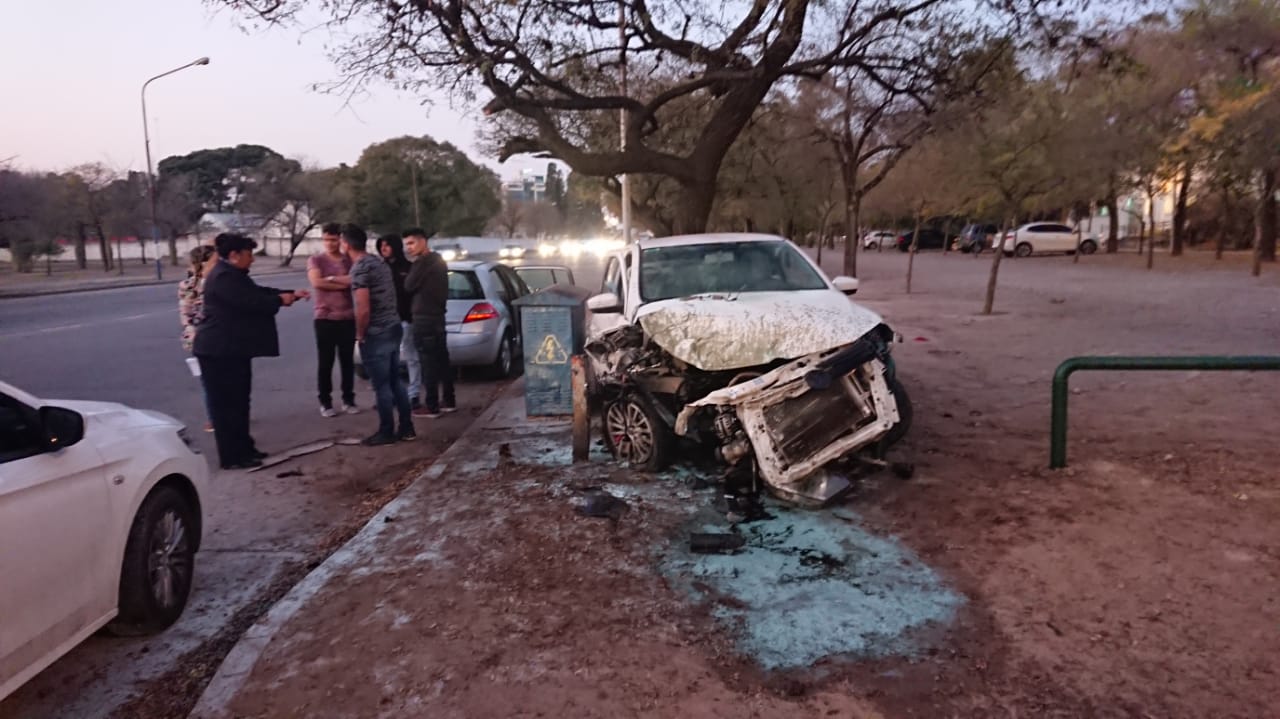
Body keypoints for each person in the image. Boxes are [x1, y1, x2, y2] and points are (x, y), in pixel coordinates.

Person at [194, 233, 310, 470]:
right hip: (218, 352)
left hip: (232, 350)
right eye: (249, 255)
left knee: (239, 402)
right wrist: (281, 300)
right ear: (234, 255)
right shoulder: (224, 277)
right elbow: (253, 302)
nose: (252, 260)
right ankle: (232, 457)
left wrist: (289, 294)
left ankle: (245, 448)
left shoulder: (233, 275)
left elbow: (259, 292)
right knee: (226, 406)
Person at [342, 224, 415, 446]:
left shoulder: (360, 269)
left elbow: (363, 307)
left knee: (381, 385)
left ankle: (386, 431)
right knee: (395, 381)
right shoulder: (378, 264)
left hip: (377, 332)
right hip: (393, 327)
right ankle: (406, 427)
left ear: (346, 244)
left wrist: (360, 334)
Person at [403, 228, 456, 418]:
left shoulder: (423, 262)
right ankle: (449, 400)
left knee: (428, 362)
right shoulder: (439, 261)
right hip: (438, 317)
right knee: (442, 360)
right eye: (406, 244)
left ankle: (432, 405)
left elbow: (408, 285)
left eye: (412, 243)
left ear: (423, 241)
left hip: (425, 318)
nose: (408, 248)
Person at [307, 223, 359, 418]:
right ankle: (325, 401)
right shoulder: (316, 260)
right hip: (324, 317)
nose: (330, 243)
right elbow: (316, 282)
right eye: (327, 239)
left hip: (347, 317)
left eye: (334, 239)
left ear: (340, 240)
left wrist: (330, 280)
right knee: (325, 362)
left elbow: (354, 280)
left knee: (347, 361)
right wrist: (339, 282)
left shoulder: (348, 260)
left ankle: (348, 399)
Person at [377, 233, 422, 410]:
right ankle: (391, 395)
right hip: (385, 321)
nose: (384, 249)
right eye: (381, 246)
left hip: (405, 320)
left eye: (387, 245)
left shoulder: (409, 267)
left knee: (411, 358)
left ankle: (414, 394)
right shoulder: (379, 268)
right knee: (388, 360)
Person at [179, 244, 218, 432]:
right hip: (209, 335)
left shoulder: (187, 284)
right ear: (204, 263)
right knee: (214, 380)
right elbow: (192, 312)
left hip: (196, 336)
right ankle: (215, 418)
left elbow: (186, 314)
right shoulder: (209, 284)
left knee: (212, 380)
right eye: (215, 260)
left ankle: (217, 416)